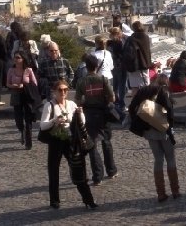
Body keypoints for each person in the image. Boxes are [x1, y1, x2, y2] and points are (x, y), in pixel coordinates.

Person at [41, 79, 97, 210]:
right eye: (60, 90)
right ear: (54, 91)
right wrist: (54, 121)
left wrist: (80, 114)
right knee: (53, 170)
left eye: (65, 90)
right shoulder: (49, 105)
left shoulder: (71, 104)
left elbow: (81, 122)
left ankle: (88, 200)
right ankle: (55, 200)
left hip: (70, 140)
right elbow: (43, 126)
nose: (63, 92)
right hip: (56, 140)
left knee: (78, 168)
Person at [129, 74, 180, 202]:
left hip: (149, 131)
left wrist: (143, 123)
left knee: (158, 159)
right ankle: (175, 191)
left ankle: (161, 193)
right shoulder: (162, 91)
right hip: (163, 130)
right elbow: (170, 111)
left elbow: (131, 108)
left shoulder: (143, 91)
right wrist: (170, 128)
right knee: (170, 158)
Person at [75, 54, 117, 185]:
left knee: (92, 144)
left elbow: (78, 100)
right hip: (103, 113)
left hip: (89, 113)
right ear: (97, 66)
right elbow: (112, 98)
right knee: (106, 141)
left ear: (86, 67)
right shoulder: (103, 79)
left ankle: (97, 176)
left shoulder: (81, 81)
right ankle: (111, 170)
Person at [7, 49, 38, 148]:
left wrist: (24, 85)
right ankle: (22, 130)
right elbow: (7, 83)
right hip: (16, 95)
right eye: (15, 57)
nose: (15, 59)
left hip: (27, 95)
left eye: (18, 57)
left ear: (23, 59)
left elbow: (34, 84)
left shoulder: (28, 70)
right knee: (18, 119)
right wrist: (14, 86)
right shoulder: (11, 70)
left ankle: (28, 142)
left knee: (28, 119)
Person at [107, 26, 127, 109]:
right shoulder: (119, 43)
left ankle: (116, 101)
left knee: (115, 84)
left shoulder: (108, 43)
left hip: (112, 66)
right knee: (122, 84)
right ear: (118, 33)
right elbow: (122, 55)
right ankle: (122, 103)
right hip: (120, 65)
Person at [128, 20, 152, 88]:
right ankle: (146, 98)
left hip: (135, 65)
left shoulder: (132, 38)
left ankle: (136, 98)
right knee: (146, 85)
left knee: (135, 87)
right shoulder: (146, 37)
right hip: (145, 63)